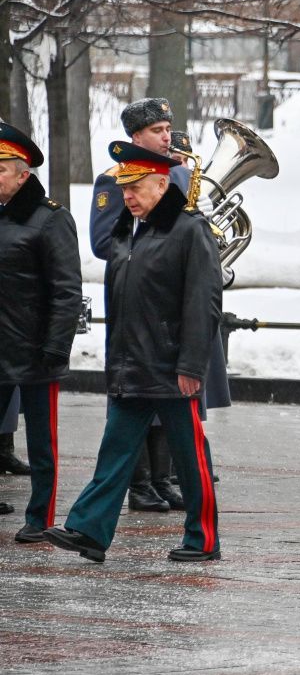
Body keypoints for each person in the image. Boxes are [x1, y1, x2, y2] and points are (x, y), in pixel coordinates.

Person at [44, 142, 222, 563]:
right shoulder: (125, 231)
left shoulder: (189, 229)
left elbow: (204, 302)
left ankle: (204, 540)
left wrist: (192, 364)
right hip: (131, 367)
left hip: (172, 368)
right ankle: (89, 530)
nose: (127, 196)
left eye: (136, 187)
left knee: (191, 457)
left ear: (162, 185)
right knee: (114, 452)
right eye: (124, 188)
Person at [90, 98, 229, 513]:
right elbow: (102, 243)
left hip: (174, 303)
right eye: (156, 130)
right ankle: (142, 483)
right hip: (141, 302)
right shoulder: (112, 179)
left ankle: (164, 478)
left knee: (173, 399)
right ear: (136, 136)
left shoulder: (181, 174)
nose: (167, 136)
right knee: (137, 399)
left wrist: (205, 224)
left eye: (168, 128)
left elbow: (194, 238)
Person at [0, 122, 82, 544]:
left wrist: (55, 347)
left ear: (22, 175)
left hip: (34, 349)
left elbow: (67, 292)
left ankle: (41, 516)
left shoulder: (50, 220)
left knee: (41, 443)